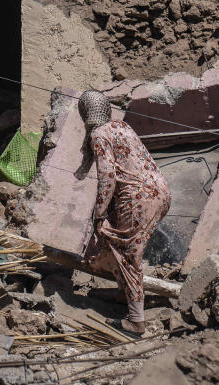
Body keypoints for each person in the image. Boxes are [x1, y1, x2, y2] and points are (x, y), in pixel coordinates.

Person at [78, 90, 171, 335]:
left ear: (85, 113)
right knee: (118, 243)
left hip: (137, 197)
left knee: (129, 255)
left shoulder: (99, 135)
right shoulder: (122, 126)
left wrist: (98, 213)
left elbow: (107, 177)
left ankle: (135, 320)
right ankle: (124, 294)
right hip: (160, 191)